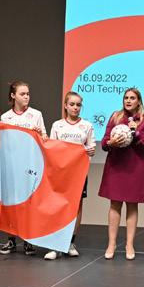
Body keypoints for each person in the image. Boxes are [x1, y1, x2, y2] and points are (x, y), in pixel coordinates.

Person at [99, 88, 144, 260]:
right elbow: (104, 143)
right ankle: (111, 243)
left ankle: (129, 244)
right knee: (114, 204)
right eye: (126, 98)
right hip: (116, 165)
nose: (128, 101)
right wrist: (111, 142)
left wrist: (137, 133)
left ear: (139, 101)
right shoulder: (115, 116)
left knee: (132, 205)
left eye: (132, 98)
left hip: (135, 166)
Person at [45, 91, 96, 260]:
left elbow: (91, 149)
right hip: (60, 173)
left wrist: (90, 151)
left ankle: (70, 243)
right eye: (72, 104)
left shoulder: (87, 126)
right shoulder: (57, 125)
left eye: (78, 105)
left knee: (76, 207)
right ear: (66, 106)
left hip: (79, 174)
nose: (75, 107)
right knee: (58, 207)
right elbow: (52, 148)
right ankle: (54, 244)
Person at [0, 80, 47, 256]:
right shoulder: (5, 117)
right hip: (11, 165)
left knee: (28, 203)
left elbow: (45, 138)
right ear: (13, 95)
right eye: (22, 94)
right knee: (11, 203)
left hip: (30, 165)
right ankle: (11, 239)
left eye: (28, 94)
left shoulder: (36, 114)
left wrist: (39, 134)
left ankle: (28, 240)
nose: (26, 97)